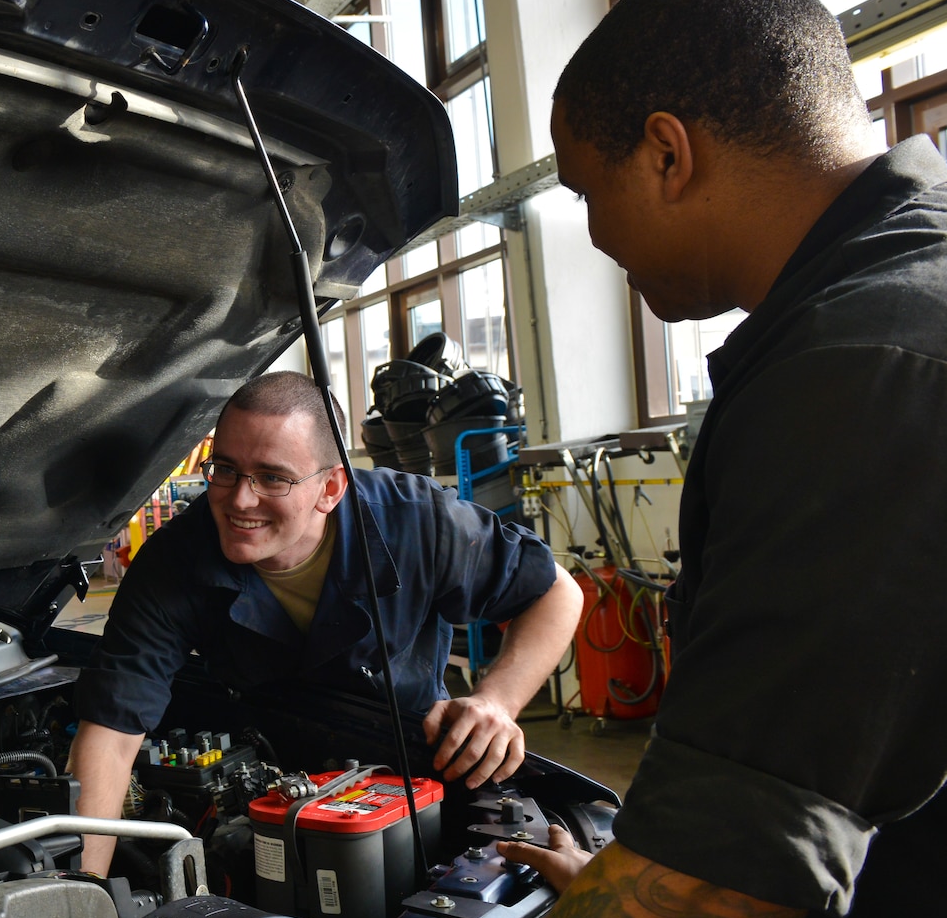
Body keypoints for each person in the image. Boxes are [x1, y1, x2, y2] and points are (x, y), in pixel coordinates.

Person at [129, 0, 947, 918]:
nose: (595, 234)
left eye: (588, 190)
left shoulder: (873, 368)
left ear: (668, 152)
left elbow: (729, 870)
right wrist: (624, 893)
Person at [68, 370, 582, 878]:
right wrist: (81, 896)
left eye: (272, 477)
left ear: (331, 487)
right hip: (264, 771)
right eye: (224, 469)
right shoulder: (175, 561)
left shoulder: (414, 521)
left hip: (409, 762)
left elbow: (556, 591)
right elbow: (111, 733)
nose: (239, 499)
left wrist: (497, 700)